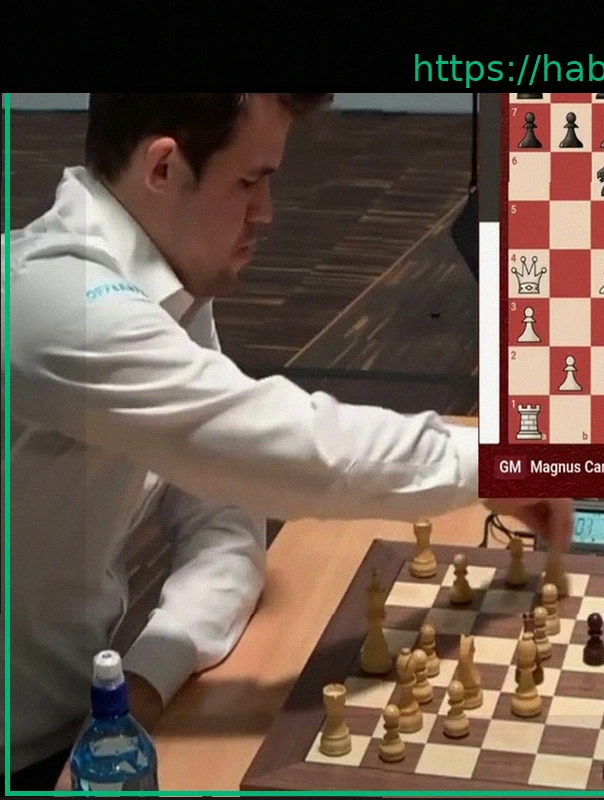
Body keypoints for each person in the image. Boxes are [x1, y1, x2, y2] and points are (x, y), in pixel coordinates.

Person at [4, 93, 573, 790]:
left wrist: (145, 681)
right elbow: (293, 454)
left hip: (82, 720)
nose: (266, 212)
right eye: (249, 181)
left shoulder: (163, 287)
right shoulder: (60, 307)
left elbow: (225, 516)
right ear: (163, 168)